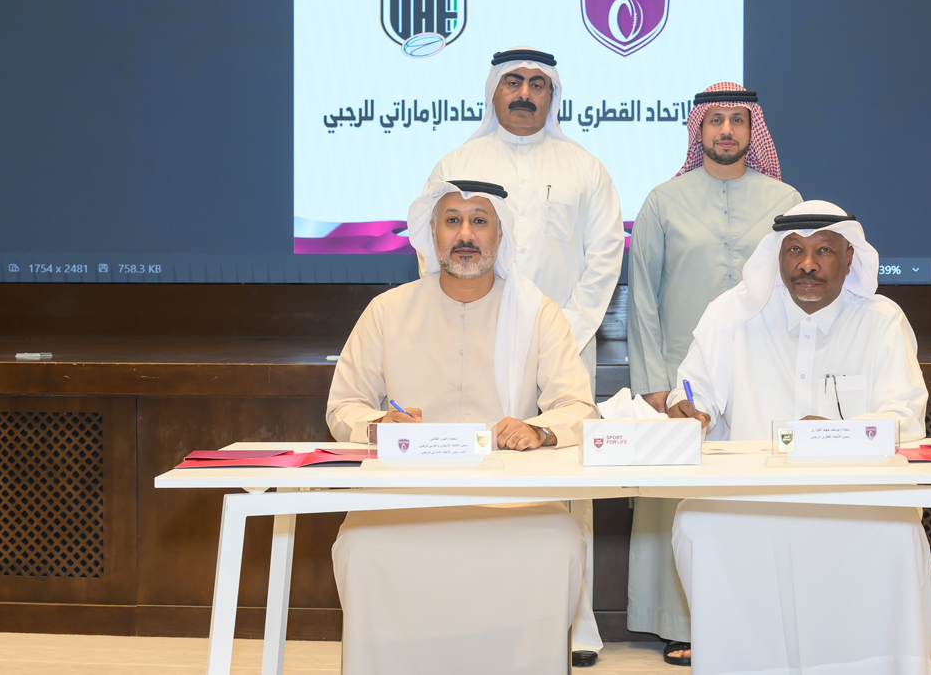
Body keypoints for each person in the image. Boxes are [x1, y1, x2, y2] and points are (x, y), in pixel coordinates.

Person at [326, 180, 599, 675]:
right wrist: (378, 424)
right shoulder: (387, 311)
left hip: (510, 495)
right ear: (432, 233)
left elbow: (577, 405)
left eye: (479, 221)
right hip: (406, 494)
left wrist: (539, 430)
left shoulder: (536, 314)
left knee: (557, 540)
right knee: (361, 546)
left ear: (500, 235)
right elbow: (344, 404)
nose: (465, 234)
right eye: (453, 221)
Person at [666, 200, 931, 675]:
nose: (806, 264)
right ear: (778, 256)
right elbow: (694, 389)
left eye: (823, 251)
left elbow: (905, 416)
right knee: (696, 522)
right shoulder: (732, 314)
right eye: (794, 250)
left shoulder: (881, 320)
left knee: (896, 530)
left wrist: (836, 434)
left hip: (854, 492)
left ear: (849, 258)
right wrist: (686, 407)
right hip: (752, 492)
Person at [424, 47, 625, 666]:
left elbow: (604, 259)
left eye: (538, 84)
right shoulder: (456, 164)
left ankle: (578, 624)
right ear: (493, 90)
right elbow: (435, 253)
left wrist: (558, 333)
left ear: (552, 95)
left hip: (564, 344)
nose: (525, 93)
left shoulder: (585, 167)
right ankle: (478, 610)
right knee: (482, 468)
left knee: (569, 478)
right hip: (474, 344)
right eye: (513, 81)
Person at [626, 82, 802, 665]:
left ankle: (759, 615)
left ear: (753, 130)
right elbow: (642, 297)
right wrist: (654, 382)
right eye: (715, 120)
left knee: (751, 495)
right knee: (681, 499)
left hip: (761, 370)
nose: (726, 130)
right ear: (698, 129)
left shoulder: (784, 199)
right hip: (684, 375)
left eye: (737, 120)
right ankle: (681, 623)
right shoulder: (662, 201)